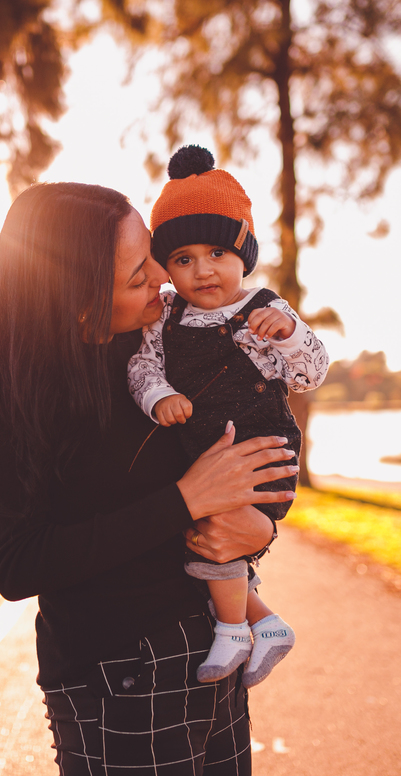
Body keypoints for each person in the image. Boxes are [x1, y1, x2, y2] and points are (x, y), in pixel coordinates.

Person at [0, 182, 298, 774]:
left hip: (212, 647)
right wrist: (184, 501)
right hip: (120, 678)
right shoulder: (14, 397)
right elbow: (18, 565)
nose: (164, 274)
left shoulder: (161, 346)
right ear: (79, 301)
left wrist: (258, 529)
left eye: (153, 255)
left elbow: (243, 447)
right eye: (138, 276)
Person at [128, 145, 328, 689]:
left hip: (263, 453)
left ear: (244, 253)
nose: (203, 270)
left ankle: (236, 629)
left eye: (217, 251)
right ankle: (257, 627)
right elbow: (140, 369)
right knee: (202, 537)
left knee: (214, 529)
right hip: (205, 451)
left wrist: (291, 336)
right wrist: (160, 395)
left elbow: (311, 374)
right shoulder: (165, 318)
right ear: (167, 267)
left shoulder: (267, 310)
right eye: (183, 259)